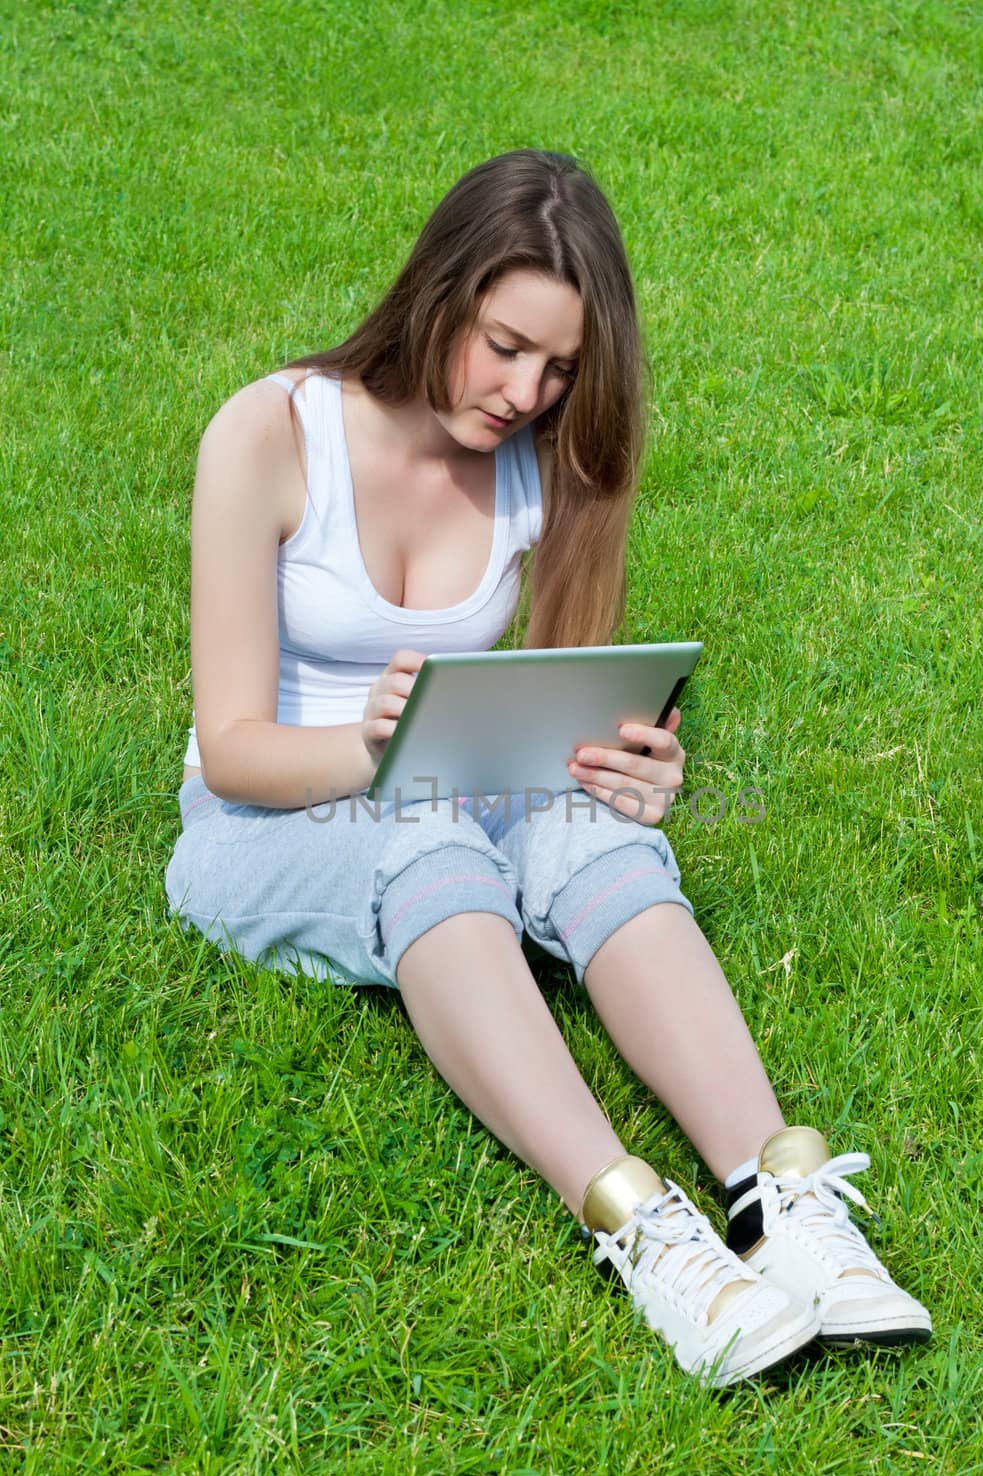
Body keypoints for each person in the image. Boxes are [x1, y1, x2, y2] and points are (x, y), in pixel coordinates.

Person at [164, 149, 931, 1387]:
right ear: (438, 293)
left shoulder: (545, 461)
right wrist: (376, 747)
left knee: (589, 831)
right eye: (505, 345)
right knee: (432, 839)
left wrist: (620, 768)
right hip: (264, 820)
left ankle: (779, 1190)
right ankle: (643, 1229)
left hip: (442, 783)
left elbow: (551, 713)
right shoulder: (269, 432)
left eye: (561, 367)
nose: (526, 392)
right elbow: (237, 750)